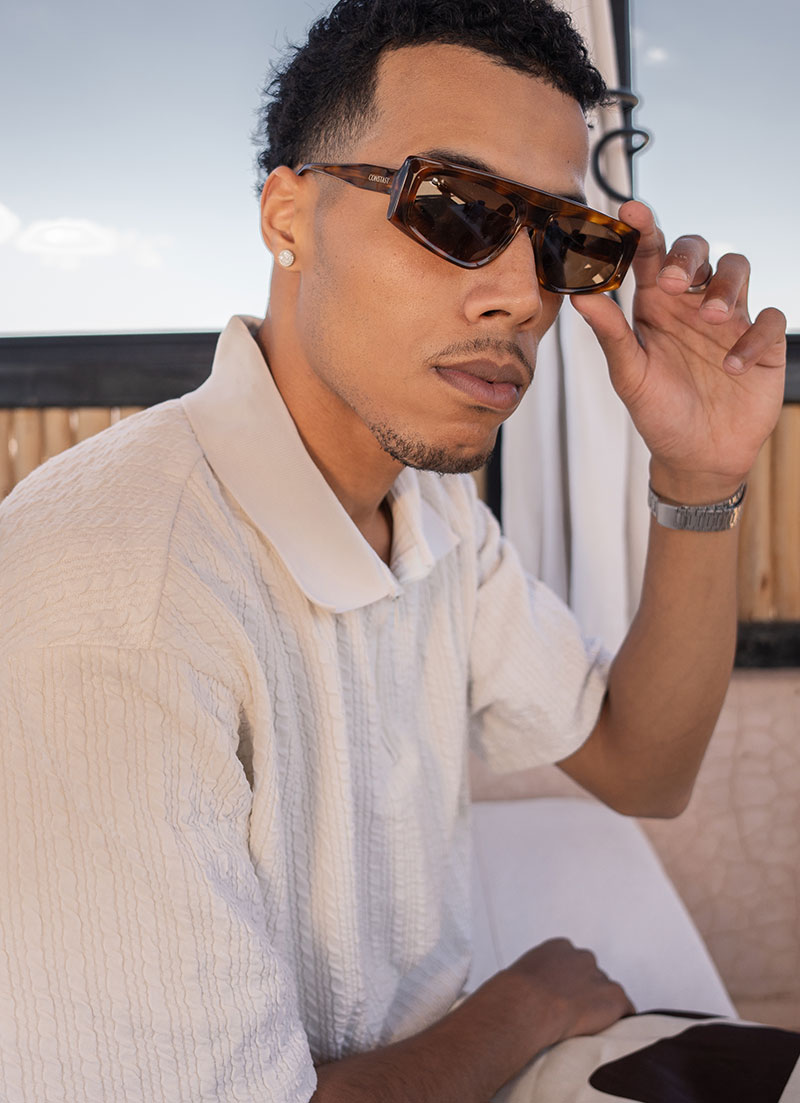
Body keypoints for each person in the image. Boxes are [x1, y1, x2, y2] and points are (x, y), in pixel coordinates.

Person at [0, 1, 787, 1100]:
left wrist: (697, 477)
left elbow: (642, 768)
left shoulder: (433, 514)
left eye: (562, 242)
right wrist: (521, 1006)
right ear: (288, 216)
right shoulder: (114, 595)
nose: (521, 296)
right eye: (455, 208)